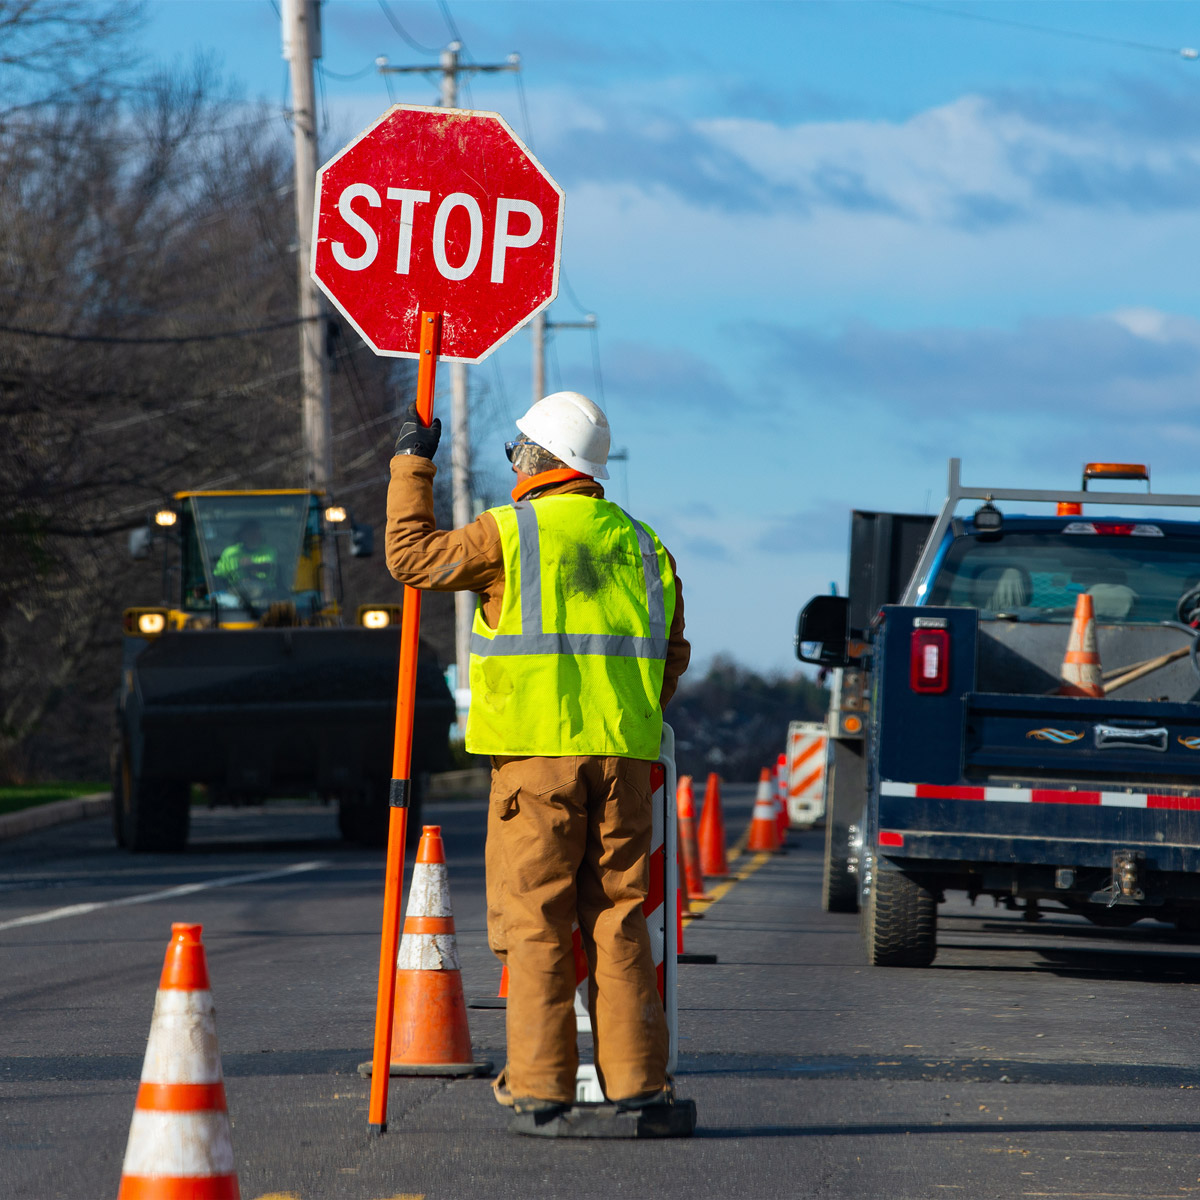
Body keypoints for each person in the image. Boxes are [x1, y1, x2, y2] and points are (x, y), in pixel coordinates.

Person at [385, 390, 690, 1126]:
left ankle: (542, 1086)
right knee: (619, 919)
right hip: (621, 760)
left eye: (514, 450)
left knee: (537, 922)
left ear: (533, 459)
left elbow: (409, 558)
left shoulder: (506, 534)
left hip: (535, 763)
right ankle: (639, 1085)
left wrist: (410, 464)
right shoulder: (645, 544)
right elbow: (671, 657)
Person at [213, 519, 278, 600]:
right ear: (241, 535)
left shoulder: (268, 551)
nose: (253, 535)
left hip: (264, 593)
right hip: (235, 592)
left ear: (261, 534)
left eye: (255, 532)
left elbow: (268, 566)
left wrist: (252, 565)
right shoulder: (230, 553)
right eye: (249, 532)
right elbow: (218, 576)